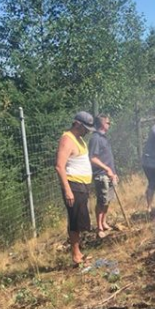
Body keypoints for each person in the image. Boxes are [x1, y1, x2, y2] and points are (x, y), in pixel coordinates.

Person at [55, 111, 94, 266]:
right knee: (75, 221)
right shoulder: (67, 140)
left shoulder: (79, 139)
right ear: (77, 124)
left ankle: (79, 252)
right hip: (73, 185)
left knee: (80, 220)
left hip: (82, 185)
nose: (87, 131)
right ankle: (75, 255)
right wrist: (68, 190)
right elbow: (59, 166)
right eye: (85, 128)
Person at [89, 114, 118, 238]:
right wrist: (106, 169)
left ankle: (104, 222)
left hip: (109, 174)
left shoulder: (103, 138)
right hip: (101, 175)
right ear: (102, 124)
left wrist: (113, 172)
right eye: (108, 122)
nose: (109, 124)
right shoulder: (95, 138)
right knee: (101, 201)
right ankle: (99, 227)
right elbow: (93, 158)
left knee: (108, 200)